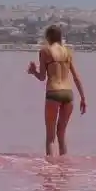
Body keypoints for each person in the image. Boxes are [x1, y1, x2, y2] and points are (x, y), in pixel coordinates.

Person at [27, 24, 88, 156]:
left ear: (48, 37)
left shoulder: (45, 51)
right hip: (68, 94)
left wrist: (33, 72)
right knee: (61, 134)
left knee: (50, 137)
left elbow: (42, 77)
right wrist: (83, 98)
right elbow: (76, 76)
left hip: (53, 92)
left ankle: (50, 171)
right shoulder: (67, 52)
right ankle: (63, 169)